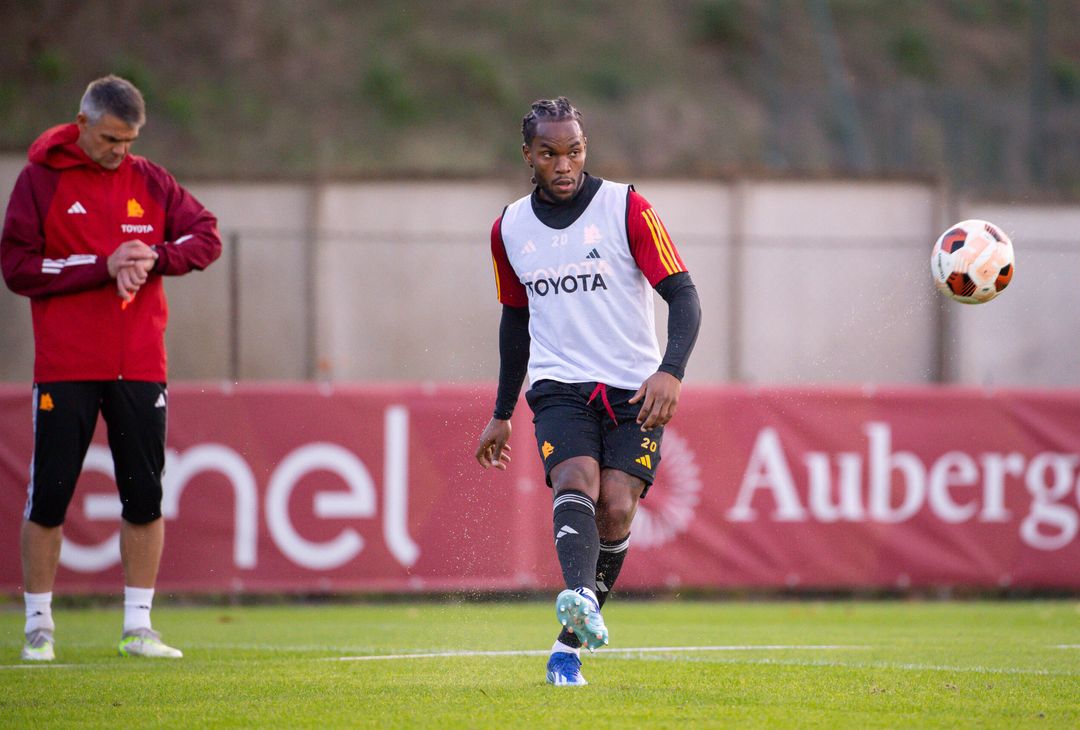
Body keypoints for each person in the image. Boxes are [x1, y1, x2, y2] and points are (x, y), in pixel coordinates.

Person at [474, 97, 701, 686]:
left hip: (634, 389)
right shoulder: (508, 228)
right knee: (576, 480)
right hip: (558, 387)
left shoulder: (627, 207)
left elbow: (683, 295)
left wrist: (671, 370)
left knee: (618, 505)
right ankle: (579, 595)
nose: (565, 164)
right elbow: (514, 321)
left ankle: (566, 646)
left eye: (574, 150)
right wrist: (501, 412)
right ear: (528, 155)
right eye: (550, 154)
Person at [1, 75, 222, 661]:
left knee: (144, 497)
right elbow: (19, 268)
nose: (118, 150)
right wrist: (102, 264)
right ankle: (39, 628)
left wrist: (156, 257)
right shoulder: (40, 181)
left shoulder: (150, 181)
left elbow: (207, 236)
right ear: (81, 123)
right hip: (67, 365)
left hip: (141, 363)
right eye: (109, 139)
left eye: (128, 140)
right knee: (49, 498)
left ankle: (138, 627)